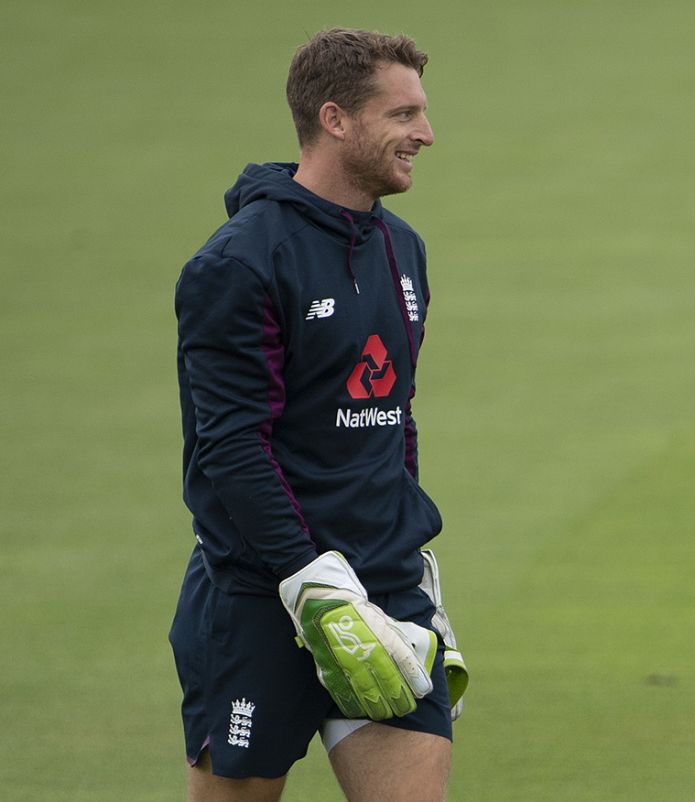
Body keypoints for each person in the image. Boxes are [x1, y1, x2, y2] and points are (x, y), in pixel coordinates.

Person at [169, 28, 460, 802]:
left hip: (388, 590)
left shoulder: (403, 248)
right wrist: (307, 581)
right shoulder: (237, 264)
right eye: (403, 115)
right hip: (263, 602)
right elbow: (230, 445)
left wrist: (410, 553)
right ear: (335, 119)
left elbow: (395, 414)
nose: (426, 134)